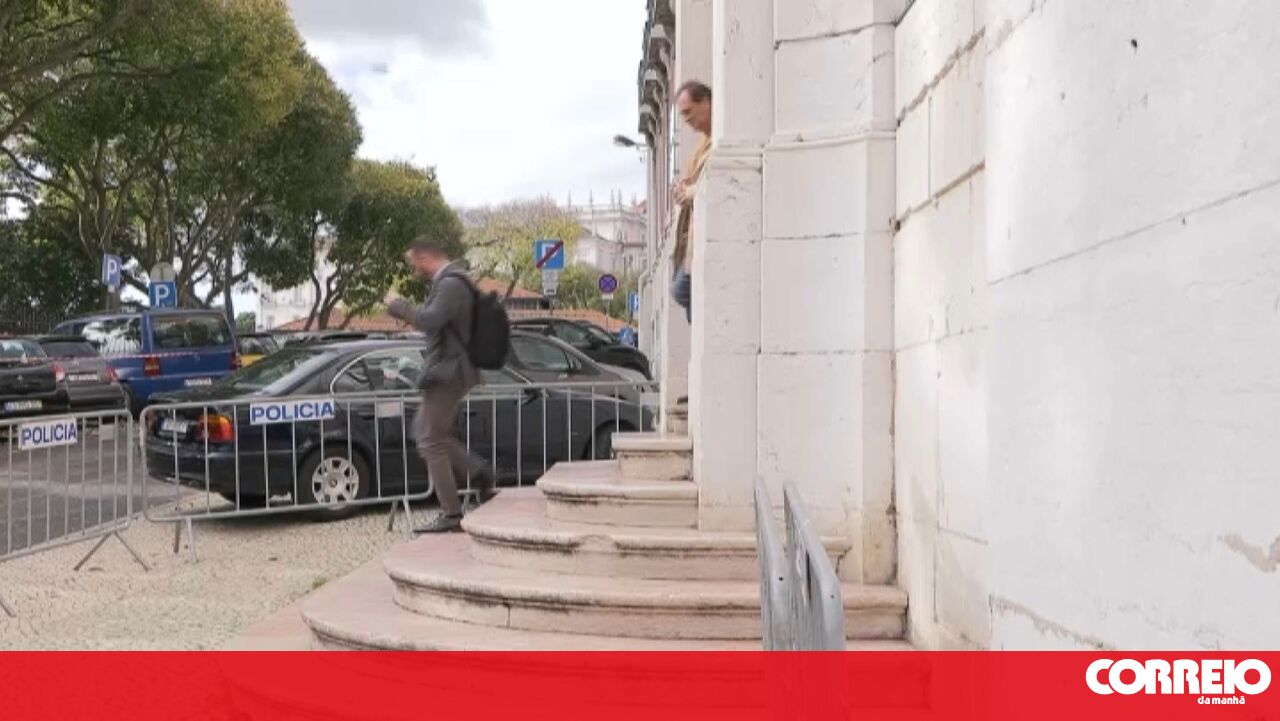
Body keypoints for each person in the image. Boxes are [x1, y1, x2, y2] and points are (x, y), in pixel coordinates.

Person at [385, 237, 496, 533]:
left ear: (425, 257)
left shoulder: (450, 284)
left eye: (414, 262)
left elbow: (430, 321)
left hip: (449, 372)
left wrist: (398, 306)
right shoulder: (451, 282)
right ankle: (478, 471)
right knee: (426, 433)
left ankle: (452, 513)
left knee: (429, 439)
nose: (413, 268)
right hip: (447, 371)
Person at [671, 80, 713, 323]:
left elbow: (715, 181)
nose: (686, 120)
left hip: (706, 239)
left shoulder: (719, 142)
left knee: (682, 291)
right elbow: (689, 182)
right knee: (685, 295)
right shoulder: (701, 146)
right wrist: (681, 190)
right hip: (692, 242)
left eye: (688, 112)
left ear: (705, 102)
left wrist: (689, 192)